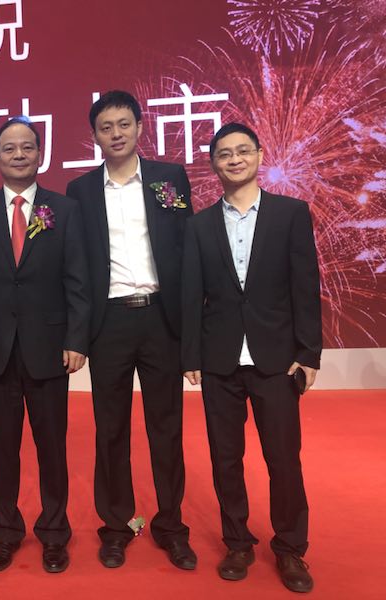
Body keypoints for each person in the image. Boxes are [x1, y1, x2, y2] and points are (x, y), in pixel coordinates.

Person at [182, 122, 321, 593]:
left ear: (260, 156)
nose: (234, 159)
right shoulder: (198, 225)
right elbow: (191, 294)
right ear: (214, 164)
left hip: (276, 358)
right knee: (226, 458)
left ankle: (290, 548)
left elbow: (305, 286)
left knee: (283, 458)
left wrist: (309, 353)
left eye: (243, 151)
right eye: (224, 154)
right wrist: (190, 355)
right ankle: (237, 542)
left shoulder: (290, 214)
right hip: (219, 358)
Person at [65, 90, 196, 570]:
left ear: (140, 127)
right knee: (111, 429)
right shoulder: (80, 191)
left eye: (124, 124)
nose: (116, 134)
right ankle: (117, 526)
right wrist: (78, 334)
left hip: (161, 318)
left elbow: (186, 249)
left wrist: (192, 329)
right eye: (106, 127)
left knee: (167, 427)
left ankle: (170, 526)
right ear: (95, 136)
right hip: (110, 323)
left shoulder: (168, 178)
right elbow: (77, 267)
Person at [0, 116, 90, 574]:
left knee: (52, 447)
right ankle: (6, 532)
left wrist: (76, 338)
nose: (18, 154)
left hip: (49, 347)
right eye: (9, 148)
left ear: (40, 154)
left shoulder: (64, 209)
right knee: (2, 448)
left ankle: (54, 533)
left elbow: (77, 278)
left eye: (27, 147)